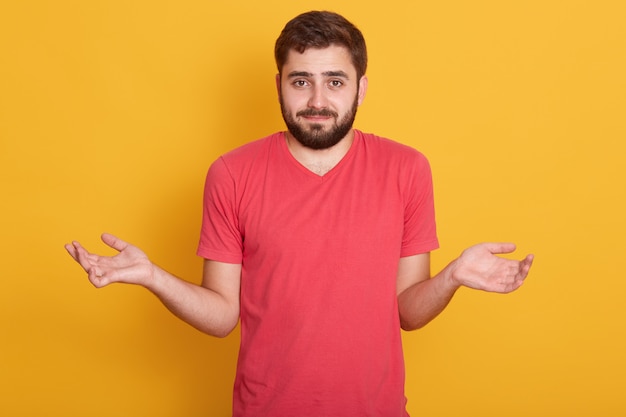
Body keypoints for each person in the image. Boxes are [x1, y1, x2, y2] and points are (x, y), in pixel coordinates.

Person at [65, 10, 534, 417]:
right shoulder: (232, 174)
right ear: (279, 85)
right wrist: (153, 277)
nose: (317, 101)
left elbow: (407, 312)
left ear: (361, 87)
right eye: (300, 81)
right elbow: (223, 314)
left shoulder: (406, 169)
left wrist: (451, 277)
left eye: (335, 81)